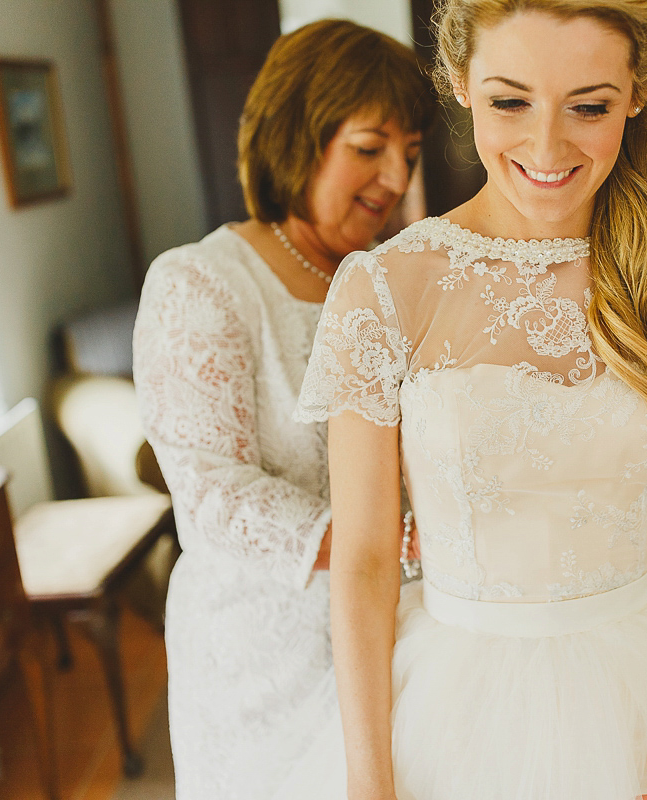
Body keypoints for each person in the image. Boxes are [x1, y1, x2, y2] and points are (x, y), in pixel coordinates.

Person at [282, 2, 647, 798]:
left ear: (636, 93)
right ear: (458, 83)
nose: (546, 147)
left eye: (587, 106)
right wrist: (369, 777)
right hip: (454, 706)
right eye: (509, 101)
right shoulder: (382, 292)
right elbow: (369, 558)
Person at [132, 20, 434, 799]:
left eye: (410, 150)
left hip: (401, 631)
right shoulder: (202, 282)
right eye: (370, 148)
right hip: (263, 653)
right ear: (296, 135)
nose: (396, 177)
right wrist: (403, 542)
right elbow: (211, 492)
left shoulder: (393, 278)